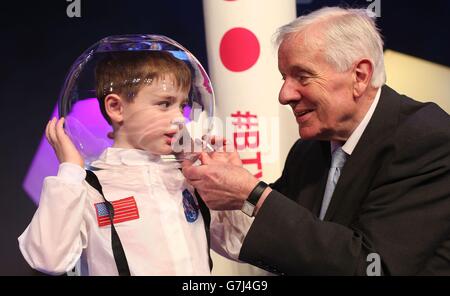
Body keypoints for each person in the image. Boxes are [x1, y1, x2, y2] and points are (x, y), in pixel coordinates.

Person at [182, 7, 450, 275]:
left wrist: (251, 193)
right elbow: (285, 233)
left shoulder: (428, 139)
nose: (284, 94)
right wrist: (229, 186)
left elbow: (371, 266)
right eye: (284, 77)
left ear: (359, 76)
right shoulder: (309, 148)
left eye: (302, 76)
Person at [18, 50, 216, 275]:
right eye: (164, 104)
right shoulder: (89, 187)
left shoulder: (187, 177)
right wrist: (70, 170)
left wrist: (217, 175)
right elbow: (48, 259)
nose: (180, 118)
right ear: (116, 108)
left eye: (182, 106)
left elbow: (235, 243)